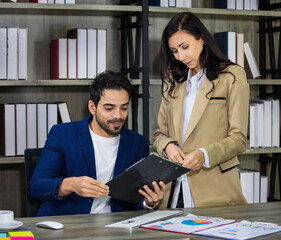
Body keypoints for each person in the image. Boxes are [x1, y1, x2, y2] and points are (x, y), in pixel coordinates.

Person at [29, 71, 166, 216]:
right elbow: (36, 188)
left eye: (124, 108)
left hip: (116, 226)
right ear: (92, 107)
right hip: (68, 224)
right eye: (109, 108)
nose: (118, 115)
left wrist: (148, 203)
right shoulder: (63, 134)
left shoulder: (138, 143)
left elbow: (135, 200)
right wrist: (71, 185)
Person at [153, 12, 249, 209]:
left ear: (202, 39)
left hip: (216, 189)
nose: (181, 56)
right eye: (174, 51)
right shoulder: (173, 81)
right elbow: (159, 134)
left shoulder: (231, 76)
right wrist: (168, 147)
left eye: (185, 47)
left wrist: (204, 155)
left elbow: (239, 139)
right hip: (173, 191)